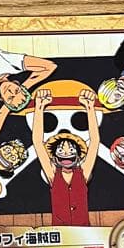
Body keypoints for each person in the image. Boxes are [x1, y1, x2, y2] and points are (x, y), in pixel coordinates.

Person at [32, 88, 99, 226]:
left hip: (84, 232)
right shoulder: (53, 174)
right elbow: (38, 142)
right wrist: (39, 107)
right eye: (61, 150)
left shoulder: (83, 173)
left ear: (78, 155)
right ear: (54, 156)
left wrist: (90, 108)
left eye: (71, 149)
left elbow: (94, 142)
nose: (66, 153)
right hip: (60, 233)